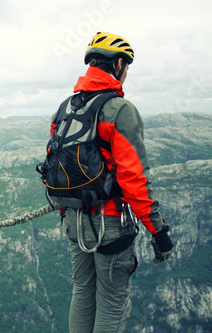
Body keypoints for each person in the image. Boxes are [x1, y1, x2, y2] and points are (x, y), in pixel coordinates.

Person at [48, 32, 174, 332]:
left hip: (74, 220)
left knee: (82, 293)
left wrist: (68, 213)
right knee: (112, 301)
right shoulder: (119, 110)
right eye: (126, 66)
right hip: (108, 223)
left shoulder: (66, 108)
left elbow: (58, 164)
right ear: (118, 64)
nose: (126, 72)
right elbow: (134, 180)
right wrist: (158, 231)